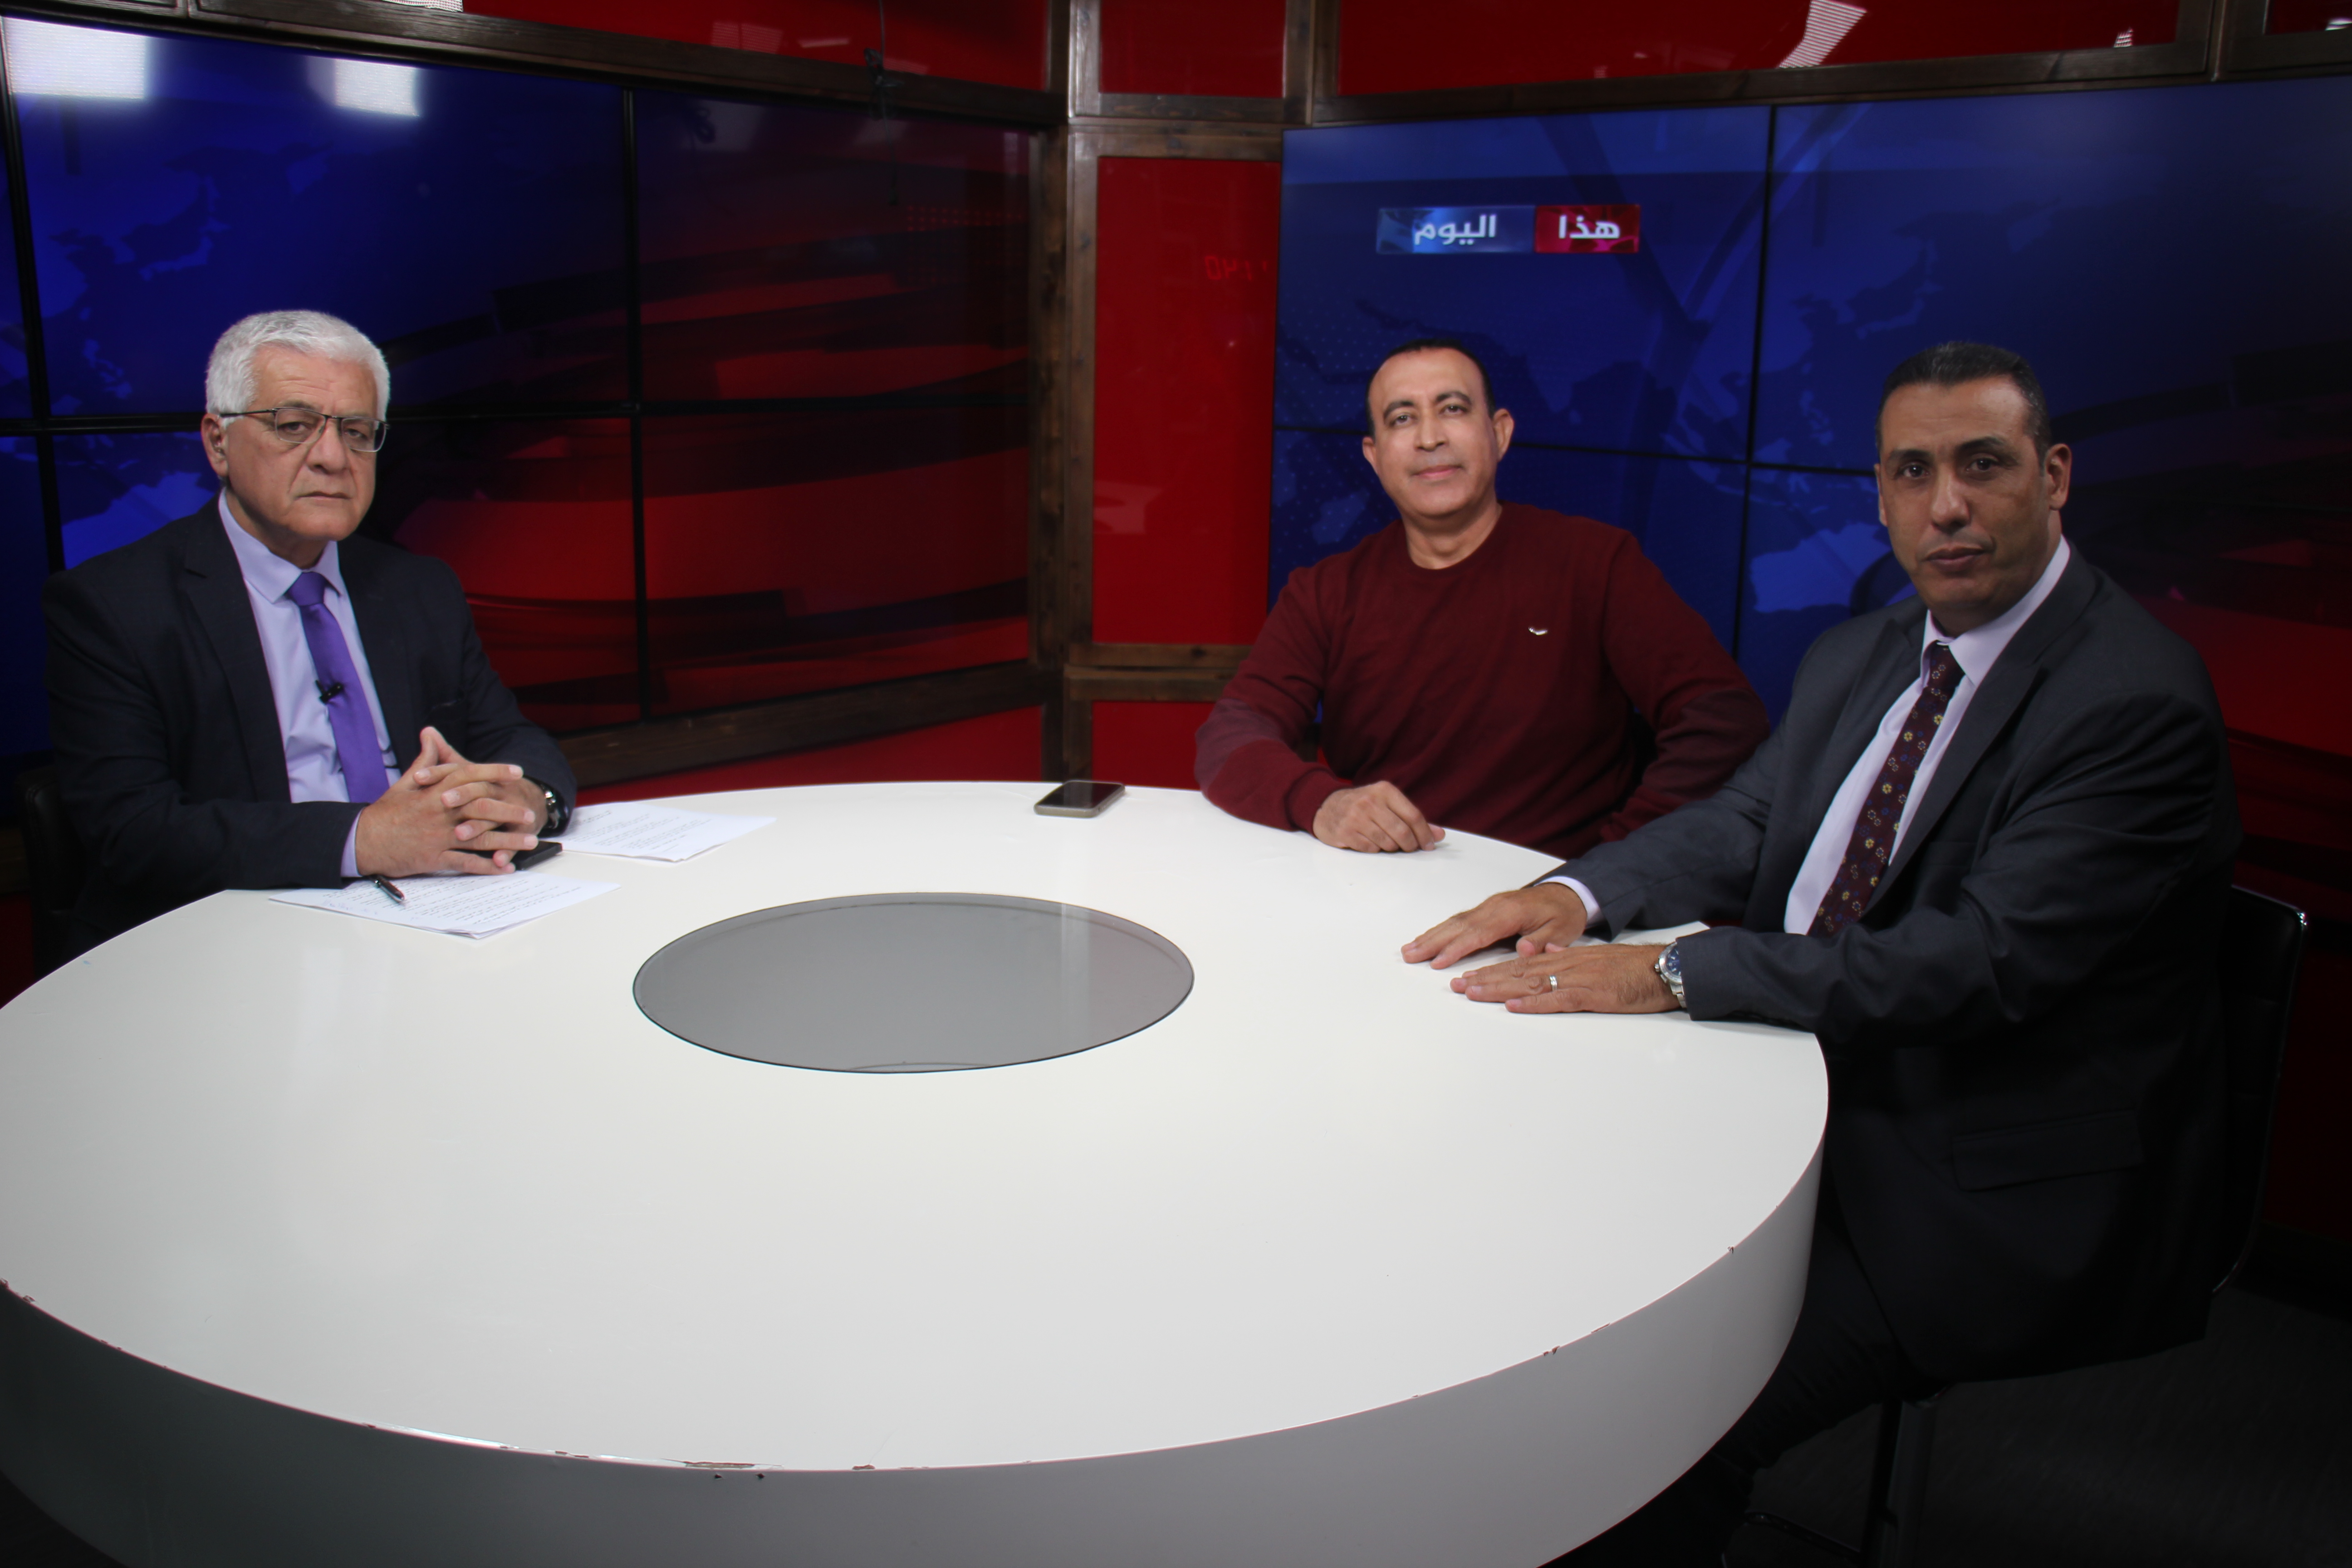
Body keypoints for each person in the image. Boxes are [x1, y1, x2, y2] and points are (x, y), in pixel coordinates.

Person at [1403, 342, 2238, 1563]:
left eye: (1982, 465)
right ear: (1880, 492)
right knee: (1508, 1243)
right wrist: (1576, 893)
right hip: (1792, 1084)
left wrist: (1674, 973)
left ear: (2054, 476)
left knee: (1651, 1424)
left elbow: (1980, 961)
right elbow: (1747, 820)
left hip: (1958, 1168)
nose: (1945, 505)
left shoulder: (2132, 701)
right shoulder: (1868, 650)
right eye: (1911, 472)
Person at [43, 309, 575, 957]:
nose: (332, 458)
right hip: (223, 941)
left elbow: (511, 737)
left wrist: (528, 798)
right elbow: (133, 831)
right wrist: (364, 838)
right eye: (293, 427)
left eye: (357, 432)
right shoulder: (113, 605)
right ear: (218, 444)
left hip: (434, 918)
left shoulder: (419, 585)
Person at [1195, 338, 1767, 859]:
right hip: (1383, 885)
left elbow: (1723, 719)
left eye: (1452, 409)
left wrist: (1607, 872)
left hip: (1556, 903)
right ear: (1375, 455)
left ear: (1500, 433)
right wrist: (1321, 803)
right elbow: (1231, 735)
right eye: (1402, 418)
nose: (1429, 438)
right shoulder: (1325, 592)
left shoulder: (1596, 564)